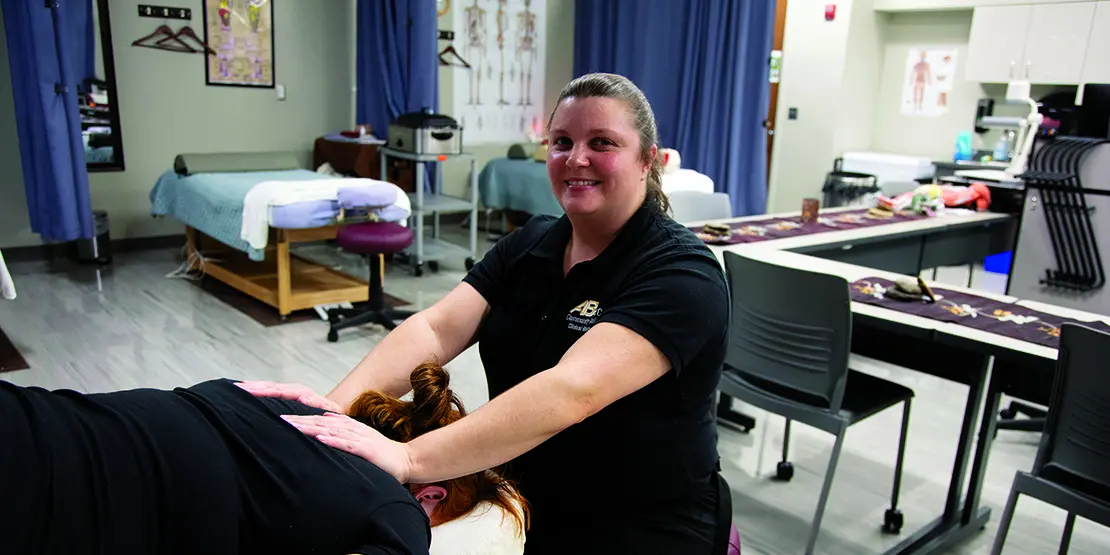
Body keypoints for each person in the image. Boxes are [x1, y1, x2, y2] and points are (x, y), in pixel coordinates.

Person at [244, 72, 731, 554]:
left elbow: (572, 390)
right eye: (562, 141)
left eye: (602, 142)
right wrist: (332, 408)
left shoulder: (681, 273)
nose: (576, 158)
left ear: (648, 160)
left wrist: (410, 458)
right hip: (531, 503)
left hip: (646, 525)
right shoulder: (534, 243)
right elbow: (436, 328)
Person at [0, 363, 527, 555]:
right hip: (51, 509)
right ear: (431, 494)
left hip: (38, 419)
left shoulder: (286, 400)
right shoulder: (399, 510)